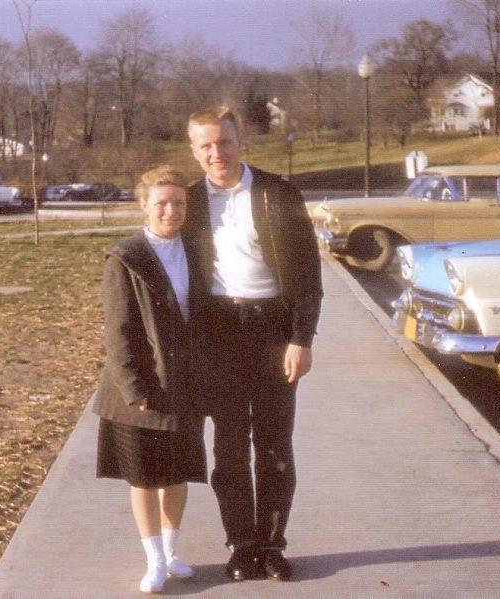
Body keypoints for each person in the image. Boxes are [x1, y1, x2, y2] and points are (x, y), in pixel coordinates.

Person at [182, 106, 323, 582]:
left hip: (272, 332)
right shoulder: (188, 202)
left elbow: (307, 275)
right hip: (219, 333)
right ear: (194, 150)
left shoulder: (276, 193)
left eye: (224, 142)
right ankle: (241, 545)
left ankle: (273, 545)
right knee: (228, 447)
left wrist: (301, 339)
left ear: (240, 143)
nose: (216, 153)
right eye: (206, 145)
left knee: (274, 445)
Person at [93, 165, 207, 594]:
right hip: (137, 390)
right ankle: (154, 560)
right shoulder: (125, 257)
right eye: (161, 202)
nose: (170, 210)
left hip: (185, 383)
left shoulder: (197, 250)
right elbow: (117, 332)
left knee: (177, 474)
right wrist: (134, 390)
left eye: (178, 202)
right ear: (144, 205)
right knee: (143, 478)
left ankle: (173, 552)